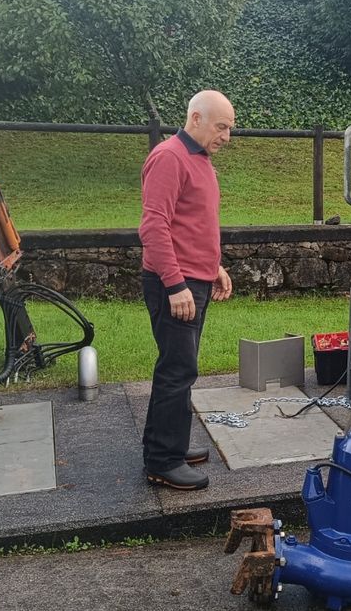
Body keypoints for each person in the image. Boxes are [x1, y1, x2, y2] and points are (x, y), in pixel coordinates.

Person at [138, 90, 235, 491]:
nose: (227, 136)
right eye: (221, 126)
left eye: (230, 128)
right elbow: (153, 227)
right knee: (177, 369)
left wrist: (213, 267)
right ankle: (162, 461)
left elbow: (191, 223)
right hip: (173, 285)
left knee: (181, 367)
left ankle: (170, 447)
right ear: (195, 118)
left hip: (195, 279)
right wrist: (176, 285)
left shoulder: (198, 160)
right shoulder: (169, 157)